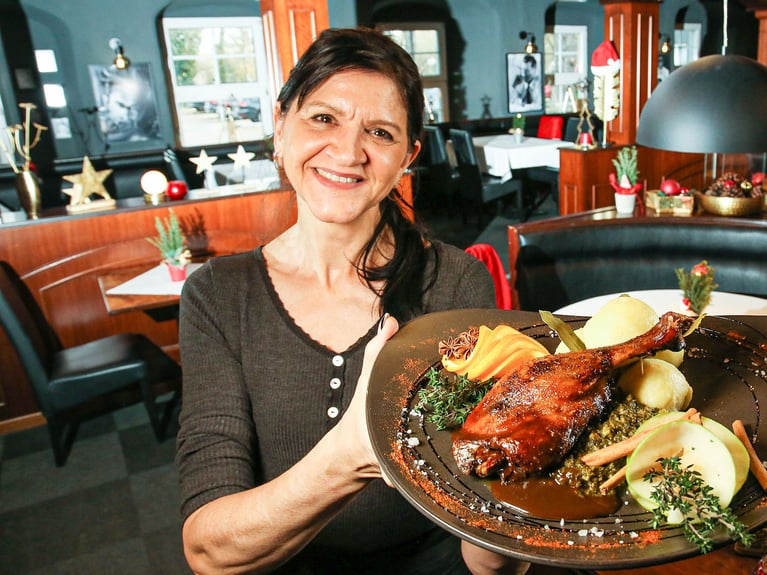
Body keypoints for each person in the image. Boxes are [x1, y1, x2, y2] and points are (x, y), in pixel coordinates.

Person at [176, 28, 527, 575]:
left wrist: (510, 511)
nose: (346, 151)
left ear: (407, 156)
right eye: (323, 118)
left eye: (380, 132)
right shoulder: (218, 295)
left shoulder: (457, 282)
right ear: (280, 127)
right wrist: (350, 456)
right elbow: (209, 552)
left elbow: (487, 548)